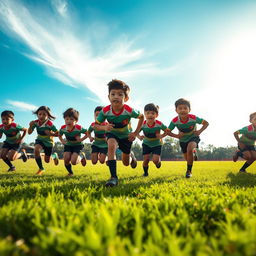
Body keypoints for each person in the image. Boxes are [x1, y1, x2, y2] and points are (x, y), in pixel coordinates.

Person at [95, 79, 144, 186]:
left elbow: (141, 117)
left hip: (127, 136)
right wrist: (104, 128)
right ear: (109, 97)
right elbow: (96, 125)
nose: (116, 96)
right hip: (112, 134)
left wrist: (135, 133)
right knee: (111, 145)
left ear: (125, 98)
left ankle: (131, 156)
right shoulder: (105, 111)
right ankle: (113, 177)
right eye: (113, 94)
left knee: (126, 163)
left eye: (120, 94)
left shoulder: (129, 110)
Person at [168, 98, 209, 178]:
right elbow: (168, 132)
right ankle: (193, 153)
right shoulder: (174, 121)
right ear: (176, 110)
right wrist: (177, 136)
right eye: (180, 108)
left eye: (185, 108)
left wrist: (199, 131)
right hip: (182, 140)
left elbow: (206, 123)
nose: (183, 110)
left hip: (193, 137)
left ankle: (189, 171)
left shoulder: (193, 118)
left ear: (189, 110)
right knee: (188, 158)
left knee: (189, 149)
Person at [137, 103, 168, 176]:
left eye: (153, 113)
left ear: (156, 115)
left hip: (157, 144)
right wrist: (139, 137)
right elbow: (136, 132)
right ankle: (145, 173)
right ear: (144, 114)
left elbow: (167, 131)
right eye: (148, 113)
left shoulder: (159, 124)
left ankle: (158, 162)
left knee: (155, 160)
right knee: (146, 160)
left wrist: (162, 136)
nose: (150, 115)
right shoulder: (142, 124)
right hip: (146, 144)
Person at [28, 106, 59, 175]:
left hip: (49, 143)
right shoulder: (35, 123)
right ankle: (41, 168)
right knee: (36, 150)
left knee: (47, 161)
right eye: (40, 114)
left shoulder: (50, 124)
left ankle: (54, 156)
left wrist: (51, 134)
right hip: (39, 140)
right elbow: (29, 133)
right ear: (37, 115)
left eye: (44, 114)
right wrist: (30, 126)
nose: (41, 116)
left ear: (48, 116)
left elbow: (58, 134)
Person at [59, 108, 87, 176]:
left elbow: (87, 133)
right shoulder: (63, 128)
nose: (69, 121)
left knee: (73, 162)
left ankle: (81, 157)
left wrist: (81, 139)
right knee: (66, 159)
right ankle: (70, 173)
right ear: (64, 119)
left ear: (76, 121)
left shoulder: (79, 128)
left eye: (71, 119)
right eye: (67, 119)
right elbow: (59, 135)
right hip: (68, 145)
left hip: (77, 145)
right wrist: (62, 140)